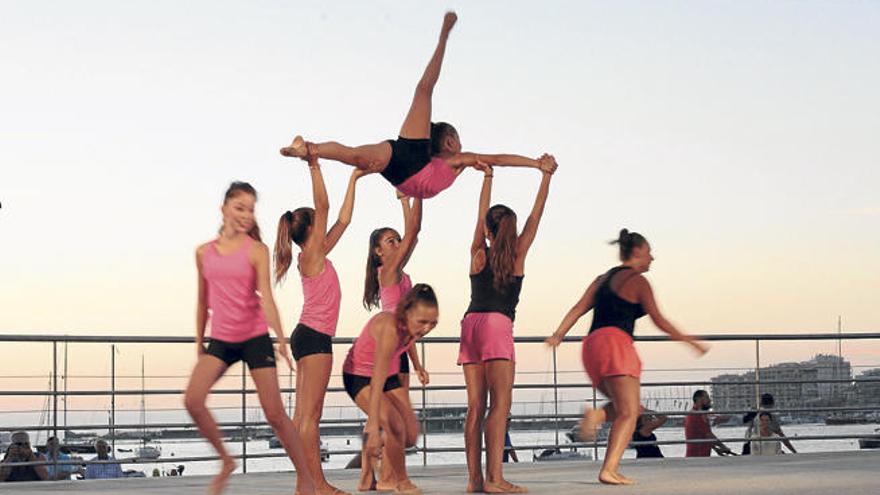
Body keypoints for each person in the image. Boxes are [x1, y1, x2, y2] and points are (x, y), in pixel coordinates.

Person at [280, 12, 556, 199]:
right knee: (423, 90)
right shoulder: (454, 160)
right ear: (448, 142)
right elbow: (497, 159)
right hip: (409, 166)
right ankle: (443, 37)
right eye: (457, 138)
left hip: (400, 171)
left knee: (354, 155)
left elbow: (494, 161)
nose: (461, 144)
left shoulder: (444, 163)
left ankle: (309, 149)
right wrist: (534, 163)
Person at [545, 229, 709, 485]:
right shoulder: (639, 282)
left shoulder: (601, 279)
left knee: (627, 409)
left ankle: (606, 454)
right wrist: (690, 341)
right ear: (636, 252)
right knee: (629, 412)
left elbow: (578, 308)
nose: (652, 258)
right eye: (649, 252)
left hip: (591, 347)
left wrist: (558, 334)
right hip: (616, 344)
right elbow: (660, 320)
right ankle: (605, 455)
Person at [184, 181, 314, 495]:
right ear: (224, 208)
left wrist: (281, 339)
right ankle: (227, 460)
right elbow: (203, 301)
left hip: (255, 337)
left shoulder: (257, 250)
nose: (245, 215)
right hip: (223, 340)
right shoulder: (204, 253)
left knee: (275, 414)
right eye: (239, 207)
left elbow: (266, 297)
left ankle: (306, 479)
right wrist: (200, 341)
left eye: (251, 210)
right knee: (192, 400)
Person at [460, 160, 554, 494]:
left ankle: (474, 480)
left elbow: (479, 213)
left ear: (487, 230)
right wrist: (546, 176)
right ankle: (495, 479)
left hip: (470, 324)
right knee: (500, 405)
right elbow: (535, 216)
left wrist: (488, 176)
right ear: (511, 230)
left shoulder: (477, 253)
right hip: (497, 326)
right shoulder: (517, 253)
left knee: (475, 407)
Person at [275, 152, 361, 495]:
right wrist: (314, 165)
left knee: (304, 418)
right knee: (310, 417)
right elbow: (325, 208)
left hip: (309, 337)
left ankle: (304, 485)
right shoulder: (311, 255)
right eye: (318, 222)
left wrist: (355, 179)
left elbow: (343, 220)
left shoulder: (317, 253)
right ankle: (318, 484)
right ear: (311, 228)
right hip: (314, 338)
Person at [342, 284, 439, 494]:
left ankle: (368, 469)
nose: (427, 329)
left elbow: (410, 341)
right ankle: (400, 481)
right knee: (395, 427)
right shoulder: (390, 328)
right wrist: (375, 424)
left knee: (411, 435)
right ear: (406, 313)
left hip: (389, 376)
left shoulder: (412, 326)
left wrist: (418, 366)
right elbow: (376, 380)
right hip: (360, 376)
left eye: (433, 323)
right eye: (422, 322)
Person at [363, 191, 429, 429]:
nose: (398, 244)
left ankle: (373, 466)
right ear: (378, 252)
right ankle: (370, 466)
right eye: (392, 241)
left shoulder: (400, 273)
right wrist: (408, 200)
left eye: (398, 240)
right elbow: (414, 233)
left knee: (394, 415)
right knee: (389, 415)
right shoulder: (389, 271)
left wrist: (418, 365)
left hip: (398, 347)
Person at [685, 390, 734, 457]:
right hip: (697, 457)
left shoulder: (701, 414)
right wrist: (723, 447)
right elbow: (709, 435)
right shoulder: (696, 415)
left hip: (701, 455)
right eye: (707, 397)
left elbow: (704, 436)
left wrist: (716, 449)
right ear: (698, 399)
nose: (709, 400)